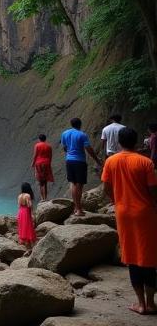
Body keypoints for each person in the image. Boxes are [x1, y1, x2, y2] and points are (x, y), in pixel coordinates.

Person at [102, 127, 157, 315]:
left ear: (118, 141)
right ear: (136, 142)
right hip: (145, 213)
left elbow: (106, 188)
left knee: (132, 257)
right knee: (148, 257)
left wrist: (116, 201)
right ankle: (151, 303)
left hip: (123, 213)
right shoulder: (145, 162)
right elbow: (152, 190)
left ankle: (140, 304)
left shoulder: (111, 161)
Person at [61, 117, 102, 215]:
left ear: (71, 124)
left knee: (72, 183)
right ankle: (79, 209)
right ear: (80, 124)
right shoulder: (82, 135)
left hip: (69, 160)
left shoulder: (64, 134)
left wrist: (70, 153)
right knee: (79, 185)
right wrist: (96, 159)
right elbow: (88, 148)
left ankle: (76, 207)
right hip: (79, 161)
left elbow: (65, 147)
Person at [32, 134, 54, 201]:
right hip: (46, 163)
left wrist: (33, 163)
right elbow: (50, 156)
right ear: (45, 139)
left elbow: (35, 155)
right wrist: (49, 164)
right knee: (45, 182)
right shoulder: (49, 146)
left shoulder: (37, 145)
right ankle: (45, 198)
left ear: (39, 139)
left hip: (39, 163)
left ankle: (42, 198)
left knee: (40, 181)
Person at [17, 182, 37, 250]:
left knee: (23, 226)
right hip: (26, 212)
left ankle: (25, 243)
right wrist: (32, 213)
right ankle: (31, 245)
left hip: (20, 212)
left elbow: (19, 206)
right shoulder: (27, 195)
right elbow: (29, 205)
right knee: (28, 226)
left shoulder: (19, 196)